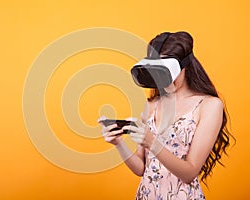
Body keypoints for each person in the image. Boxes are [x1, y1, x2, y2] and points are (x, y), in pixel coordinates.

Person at [99, 31, 234, 200]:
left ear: (185, 66)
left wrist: (152, 143)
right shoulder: (152, 105)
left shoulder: (209, 105)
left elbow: (189, 173)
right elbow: (141, 168)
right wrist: (118, 143)